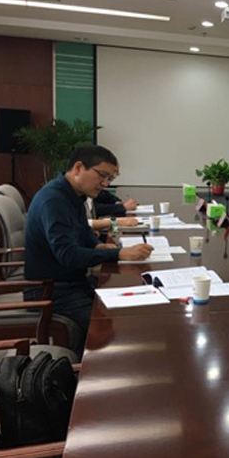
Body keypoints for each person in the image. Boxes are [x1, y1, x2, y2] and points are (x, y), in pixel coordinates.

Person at [24, 145, 153, 353]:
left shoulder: (74, 195)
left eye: (110, 178)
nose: (105, 183)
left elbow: (83, 231)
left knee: (132, 306)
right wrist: (118, 253)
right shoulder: (54, 200)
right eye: (102, 175)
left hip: (73, 283)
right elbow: (68, 255)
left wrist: (97, 245)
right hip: (51, 291)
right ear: (78, 168)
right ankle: (83, 370)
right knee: (114, 326)